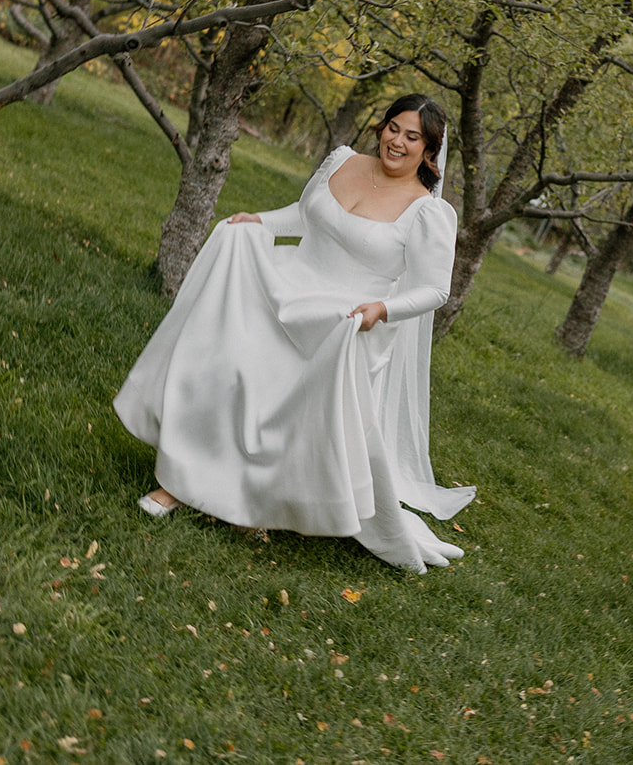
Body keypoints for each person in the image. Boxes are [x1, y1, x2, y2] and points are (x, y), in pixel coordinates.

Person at [113, 94, 475, 572]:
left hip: (349, 319)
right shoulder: (343, 162)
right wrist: (257, 221)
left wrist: (382, 309)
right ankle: (181, 482)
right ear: (382, 127)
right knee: (233, 352)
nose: (398, 141)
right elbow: (305, 216)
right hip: (290, 282)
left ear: (429, 151)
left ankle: (253, 498)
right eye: (393, 128)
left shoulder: (428, 213)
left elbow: (434, 289)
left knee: (279, 378)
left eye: (413, 137)